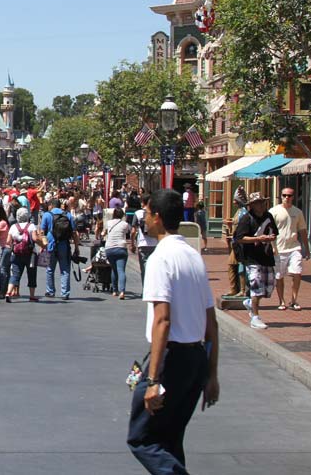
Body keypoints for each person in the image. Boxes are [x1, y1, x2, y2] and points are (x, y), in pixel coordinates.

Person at [127, 189, 219, 473]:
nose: (144, 220)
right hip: (195, 360)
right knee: (169, 438)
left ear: (157, 216)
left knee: (142, 438)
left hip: (171, 359)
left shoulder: (160, 258)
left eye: (147, 214)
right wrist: (211, 374)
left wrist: (153, 378)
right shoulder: (193, 257)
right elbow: (211, 323)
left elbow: (162, 320)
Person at [233, 192, 278, 330]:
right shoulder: (247, 218)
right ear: (252, 205)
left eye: (262, 202)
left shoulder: (268, 216)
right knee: (256, 287)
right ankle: (255, 317)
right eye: (258, 203)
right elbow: (239, 238)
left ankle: (249, 302)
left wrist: (271, 238)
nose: (261, 205)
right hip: (251, 258)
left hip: (266, 257)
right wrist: (258, 239)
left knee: (268, 288)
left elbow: (275, 233)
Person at [269, 188, 310, 311]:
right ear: (280, 196)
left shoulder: (297, 212)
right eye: (284, 195)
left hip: (294, 247)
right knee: (279, 276)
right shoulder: (273, 211)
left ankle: (294, 300)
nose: (287, 197)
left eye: (289, 195)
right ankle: (281, 301)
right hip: (279, 249)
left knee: (297, 272)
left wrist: (306, 249)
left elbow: (302, 230)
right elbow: (269, 231)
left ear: (293, 197)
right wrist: (272, 247)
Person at [6, 207, 46, 302]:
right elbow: (35, 239)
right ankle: (32, 296)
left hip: (16, 254)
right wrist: (43, 246)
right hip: (30, 254)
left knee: (15, 274)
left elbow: (8, 241)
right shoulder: (31, 226)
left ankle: (8, 292)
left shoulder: (13, 227)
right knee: (31, 274)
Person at [41, 198, 77, 300]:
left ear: (51, 205)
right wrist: (76, 247)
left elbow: (42, 232)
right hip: (64, 245)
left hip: (50, 245)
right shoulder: (68, 215)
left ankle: (50, 291)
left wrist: (42, 245)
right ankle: (65, 293)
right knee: (65, 269)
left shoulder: (47, 215)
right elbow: (74, 232)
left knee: (50, 269)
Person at [104, 207, 132, 299]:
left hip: (110, 248)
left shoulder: (108, 223)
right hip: (121, 247)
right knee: (121, 270)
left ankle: (115, 290)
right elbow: (128, 232)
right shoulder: (125, 224)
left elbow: (104, 233)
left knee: (114, 269)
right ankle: (122, 291)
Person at [130, 201, 158, 281]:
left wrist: (132, 244)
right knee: (154, 268)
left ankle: (145, 290)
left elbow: (133, 231)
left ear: (142, 203)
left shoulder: (138, 213)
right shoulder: (156, 213)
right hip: (155, 244)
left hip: (142, 244)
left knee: (144, 269)